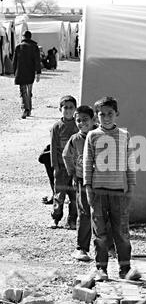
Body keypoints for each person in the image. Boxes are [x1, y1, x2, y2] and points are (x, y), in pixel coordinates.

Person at [83, 96, 136, 281]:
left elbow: (130, 162)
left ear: (117, 114)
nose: (106, 117)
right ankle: (101, 269)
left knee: (121, 231)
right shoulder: (92, 135)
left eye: (110, 114)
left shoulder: (124, 135)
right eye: (102, 114)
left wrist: (131, 187)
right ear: (97, 117)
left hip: (119, 191)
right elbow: (88, 163)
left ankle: (125, 268)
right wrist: (88, 187)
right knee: (100, 232)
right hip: (98, 191)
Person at [62, 105, 97, 261]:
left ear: (93, 119)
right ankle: (81, 248)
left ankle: (109, 247)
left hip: (101, 180)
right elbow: (66, 155)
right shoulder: (75, 139)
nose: (82, 123)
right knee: (84, 213)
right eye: (78, 120)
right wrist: (73, 173)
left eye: (85, 120)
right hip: (82, 180)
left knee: (104, 213)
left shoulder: (101, 135)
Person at [50, 95, 78, 229]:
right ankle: (55, 218)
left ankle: (72, 220)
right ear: (59, 109)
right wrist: (55, 166)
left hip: (75, 168)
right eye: (65, 107)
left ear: (75, 109)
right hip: (61, 167)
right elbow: (53, 147)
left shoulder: (78, 125)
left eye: (71, 107)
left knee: (74, 196)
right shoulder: (57, 126)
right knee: (59, 195)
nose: (68, 110)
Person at [13, 30, 41, 119]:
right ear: (30, 37)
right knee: (29, 92)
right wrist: (38, 73)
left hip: (20, 72)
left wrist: (15, 72)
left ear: (23, 37)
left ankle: (25, 109)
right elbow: (37, 61)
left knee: (23, 91)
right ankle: (28, 110)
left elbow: (14, 62)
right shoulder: (34, 47)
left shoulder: (18, 47)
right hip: (30, 72)